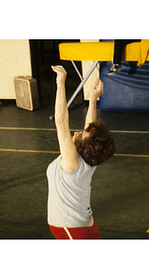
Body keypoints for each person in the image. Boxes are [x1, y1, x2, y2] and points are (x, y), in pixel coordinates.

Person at [47, 65, 116, 239]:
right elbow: (89, 128)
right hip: (85, 226)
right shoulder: (88, 160)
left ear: (86, 144)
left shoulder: (73, 162)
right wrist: (93, 100)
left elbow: (61, 121)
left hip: (71, 228)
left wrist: (61, 83)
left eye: (82, 133)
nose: (78, 132)